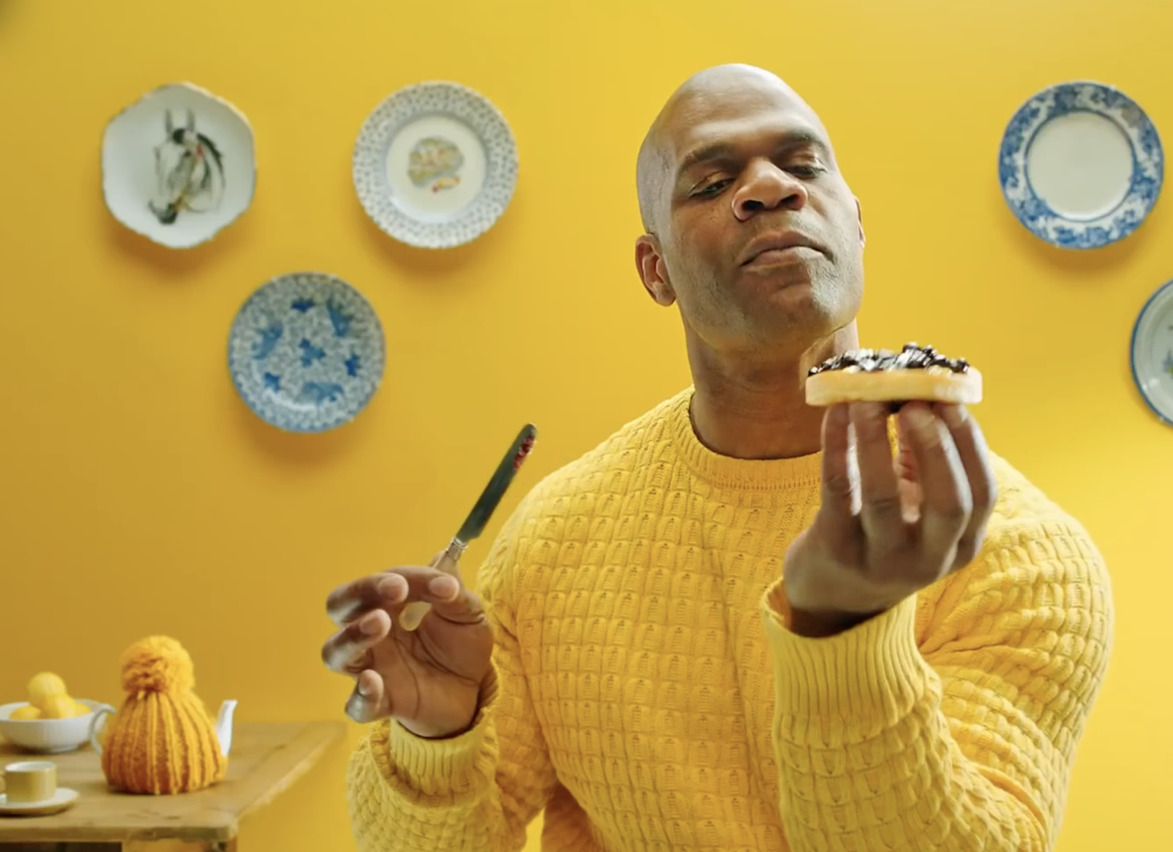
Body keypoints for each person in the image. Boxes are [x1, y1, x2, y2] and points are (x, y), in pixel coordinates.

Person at [322, 63, 1114, 852]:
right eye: (709, 184)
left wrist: (843, 636)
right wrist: (438, 739)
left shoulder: (1020, 555)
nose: (770, 188)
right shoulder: (553, 541)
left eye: (803, 166)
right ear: (654, 269)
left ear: (857, 225)